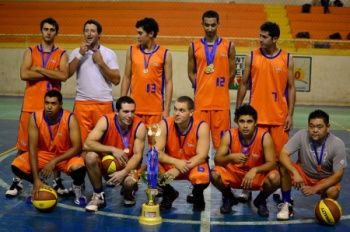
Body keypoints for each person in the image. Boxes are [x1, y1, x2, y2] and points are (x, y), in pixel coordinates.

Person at [7, 17, 69, 198]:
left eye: (52, 29)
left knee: (55, 146)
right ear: (41, 31)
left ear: (56, 32)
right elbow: (24, 73)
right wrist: (51, 73)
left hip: (52, 110)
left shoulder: (62, 53)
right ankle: (17, 181)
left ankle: (57, 181)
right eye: (45, 29)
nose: (48, 32)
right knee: (23, 146)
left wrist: (39, 69)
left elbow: (63, 75)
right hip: (31, 107)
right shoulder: (30, 51)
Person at [235, 21, 296, 202]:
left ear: (275, 38)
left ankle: (276, 186)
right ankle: (247, 188)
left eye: (264, 36)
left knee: (279, 158)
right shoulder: (252, 57)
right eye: (259, 35)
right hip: (256, 118)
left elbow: (291, 88)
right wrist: (239, 109)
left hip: (278, 117)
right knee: (251, 157)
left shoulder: (287, 58)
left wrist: (290, 114)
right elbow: (243, 84)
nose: (260, 39)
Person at [10, 90, 87, 206]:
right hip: (44, 154)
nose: (49, 106)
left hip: (65, 155)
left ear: (61, 104)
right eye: (47, 103)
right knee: (17, 165)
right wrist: (36, 179)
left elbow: (77, 148)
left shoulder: (70, 118)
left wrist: (54, 161)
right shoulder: (35, 117)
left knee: (79, 167)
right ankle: (40, 184)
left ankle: (78, 187)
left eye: (53, 103)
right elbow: (32, 148)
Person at [277, 110, 347, 220]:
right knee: (282, 166)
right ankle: (287, 203)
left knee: (333, 191)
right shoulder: (301, 135)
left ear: (328, 127)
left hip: (324, 179)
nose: (315, 130)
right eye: (311, 126)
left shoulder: (337, 144)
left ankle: (322, 206)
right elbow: (283, 154)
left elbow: (338, 175)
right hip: (303, 174)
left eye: (319, 127)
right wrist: (295, 173)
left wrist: (315, 188)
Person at [211, 104, 280, 217]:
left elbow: (272, 163)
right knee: (214, 174)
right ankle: (228, 197)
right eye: (242, 121)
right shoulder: (229, 135)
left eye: (249, 121)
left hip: (255, 177)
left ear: (255, 122)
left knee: (276, 178)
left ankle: (261, 200)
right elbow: (217, 160)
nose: (245, 125)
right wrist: (231, 157)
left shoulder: (264, 136)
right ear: (236, 122)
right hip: (235, 175)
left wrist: (255, 170)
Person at [83, 96, 146, 212]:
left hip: (128, 166)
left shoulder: (140, 126)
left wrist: (124, 172)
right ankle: (98, 195)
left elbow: (138, 155)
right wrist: (112, 149)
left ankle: (129, 193)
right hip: (107, 163)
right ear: (117, 112)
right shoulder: (105, 121)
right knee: (90, 156)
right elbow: (87, 144)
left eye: (132, 111)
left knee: (128, 184)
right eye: (126, 111)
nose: (130, 115)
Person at [188, 10, 236, 151]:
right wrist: (199, 85)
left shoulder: (229, 46)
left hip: (221, 104)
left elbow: (232, 72)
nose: (210, 29)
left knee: (222, 146)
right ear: (202, 24)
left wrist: (221, 86)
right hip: (201, 103)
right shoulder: (193, 46)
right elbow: (191, 72)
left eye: (213, 25)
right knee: (198, 143)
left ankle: (222, 172)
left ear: (218, 24)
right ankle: (200, 172)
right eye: (207, 25)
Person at [69, 19, 120, 145]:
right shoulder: (76, 52)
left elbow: (116, 80)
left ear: (99, 34)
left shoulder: (108, 53)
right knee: (82, 143)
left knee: (105, 141)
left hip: (103, 103)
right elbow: (67, 74)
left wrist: (101, 63)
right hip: (82, 104)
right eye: (86, 31)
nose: (89, 34)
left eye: (92, 31)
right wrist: (80, 55)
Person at [155, 96, 210, 212]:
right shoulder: (164, 124)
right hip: (172, 164)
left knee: (202, 177)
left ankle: (198, 195)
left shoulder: (201, 126)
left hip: (193, 165)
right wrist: (176, 163)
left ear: (191, 113)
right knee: (150, 168)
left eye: (181, 110)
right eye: (175, 109)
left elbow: (202, 156)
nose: (176, 113)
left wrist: (178, 169)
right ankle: (169, 193)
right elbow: (156, 153)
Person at [120, 17, 173, 127]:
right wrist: (121, 104)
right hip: (134, 110)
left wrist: (166, 110)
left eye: (140, 33)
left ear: (151, 33)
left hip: (155, 112)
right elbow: (126, 77)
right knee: (135, 143)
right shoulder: (131, 50)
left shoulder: (165, 54)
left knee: (155, 142)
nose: (137, 36)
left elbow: (168, 83)